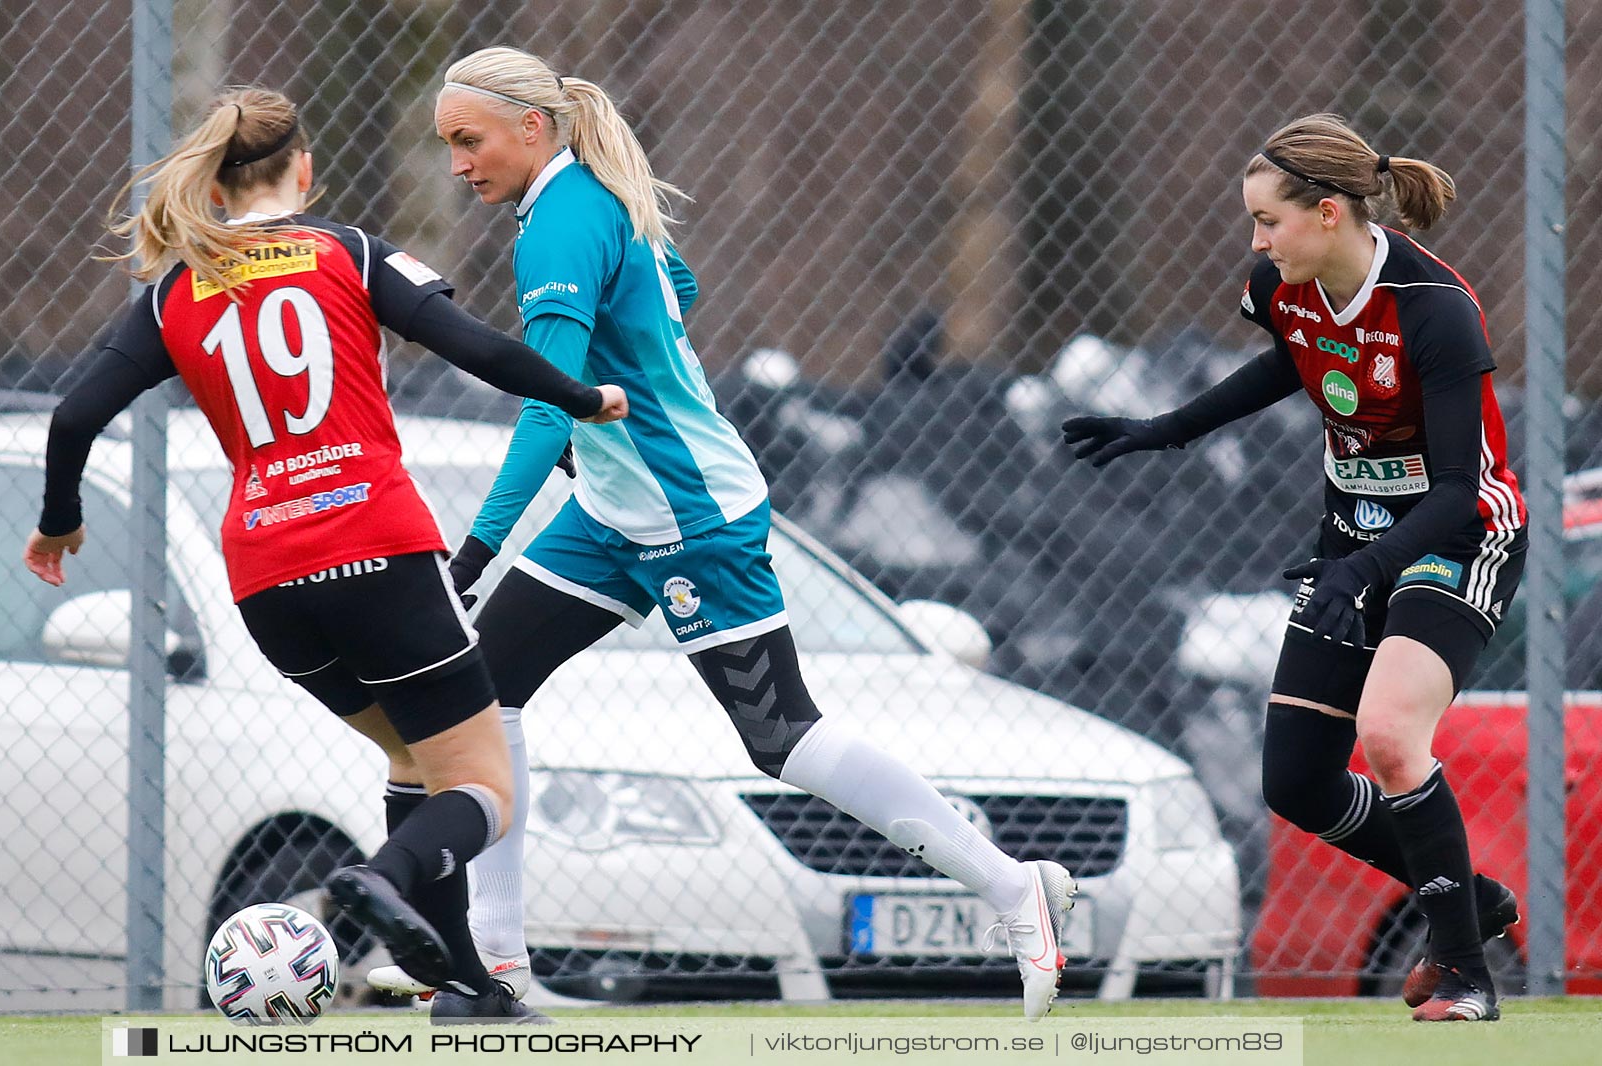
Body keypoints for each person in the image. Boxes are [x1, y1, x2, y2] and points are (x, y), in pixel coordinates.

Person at [364, 46, 1077, 1021]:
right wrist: (625, 395)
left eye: (467, 140)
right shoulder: (584, 200)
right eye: (446, 143)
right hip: (617, 509)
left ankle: (1012, 888)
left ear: (533, 128)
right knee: (489, 694)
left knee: (781, 735)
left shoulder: (564, 222)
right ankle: (497, 969)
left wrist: (474, 553)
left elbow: (542, 408)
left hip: (689, 514)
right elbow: (676, 293)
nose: (456, 163)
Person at [20, 87, 628, 1024]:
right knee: (483, 788)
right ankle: (378, 880)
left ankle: (469, 990)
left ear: (214, 189)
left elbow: (72, 416)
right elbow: (476, 348)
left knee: (414, 759)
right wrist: (583, 400)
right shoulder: (345, 250)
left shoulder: (175, 288)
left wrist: (60, 520)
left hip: (267, 580)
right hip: (377, 548)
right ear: (303, 170)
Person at [1063, 113, 1526, 1022]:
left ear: (1327, 213)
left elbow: (1455, 492)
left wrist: (1359, 573)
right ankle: (1467, 897)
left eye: (1269, 221)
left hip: (1458, 538)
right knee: (1298, 782)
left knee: (1391, 737)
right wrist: (1164, 429)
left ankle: (1468, 971)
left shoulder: (1434, 308)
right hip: (1356, 542)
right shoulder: (1281, 285)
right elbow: (1292, 365)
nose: (1257, 241)